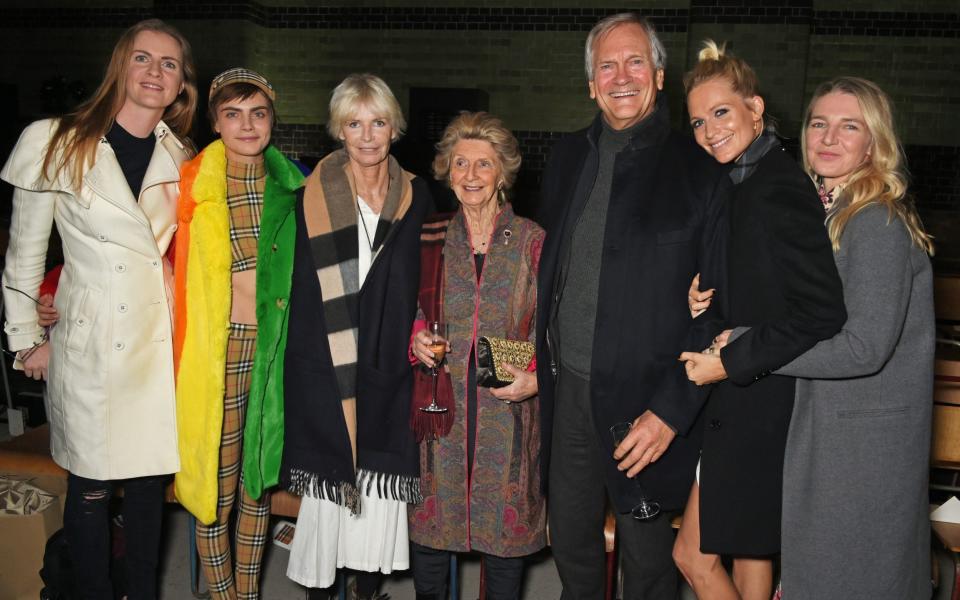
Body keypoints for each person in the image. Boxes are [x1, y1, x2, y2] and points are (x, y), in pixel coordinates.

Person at [686, 76, 935, 599]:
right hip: (825, 429)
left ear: (875, 142)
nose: (828, 137)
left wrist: (742, 346)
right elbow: (790, 302)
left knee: (848, 581)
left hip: (861, 446)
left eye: (849, 126)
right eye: (819, 123)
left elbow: (863, 347)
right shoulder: (830, 211)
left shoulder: (875, 222)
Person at [535, 13, 730, 599]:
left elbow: (723, 309)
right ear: (591, 84)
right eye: (607, 65)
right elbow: (546, 280)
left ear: (660, 75)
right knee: (572, 547)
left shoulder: (701, 170)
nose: (622, 76)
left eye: (635, 61)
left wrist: (672, 411)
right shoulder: (567, 158)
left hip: (647, 406)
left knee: (648, 569)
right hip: (567, 390)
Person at [0, 19, 197, 600]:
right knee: (88, 486)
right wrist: (25, 338)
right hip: (90, 342)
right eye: (143, 58)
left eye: (169, 63)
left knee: (146, 489)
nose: (155, 72)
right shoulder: (54, 140)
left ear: (182, 82)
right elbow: (25, 252)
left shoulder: (181, 154)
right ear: (120, 66)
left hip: (156, 343)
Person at [241, 73, 430, 599]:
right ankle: (323, 592)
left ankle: (367, 590)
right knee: (329, 492)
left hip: (390, 362)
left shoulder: (416, 196)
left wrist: (418, 331)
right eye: (354, 124)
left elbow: (427, 278)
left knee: (377, 488)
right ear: (338, 131)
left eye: (378, 123)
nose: (367, 136)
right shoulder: (308, 194)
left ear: (394, 129)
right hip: (323, 362)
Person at [671, 42, 845, 600]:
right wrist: (707, 297)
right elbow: (759, 278)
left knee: (698, 556)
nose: (708, 130)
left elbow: (822, 312)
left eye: (721, 112)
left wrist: (727, 361)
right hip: (744, 400)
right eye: (698, 121)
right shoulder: (739, 180)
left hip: (761, 402)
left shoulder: (779, 186)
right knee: (743, 556)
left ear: (755, 108)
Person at [171, 68, 305, 600]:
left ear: (273, 119)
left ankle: (246, 594)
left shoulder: (295, 184)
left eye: (258, 113)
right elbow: (137, 251)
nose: (247, 125)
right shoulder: (190, 182)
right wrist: (51, 290)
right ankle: (224, 595)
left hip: (274, 349)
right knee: (213, 487)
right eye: (232, 114)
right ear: (215, 122)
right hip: (214, 352)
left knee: (257, 481)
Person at [408, 112, 545, 600]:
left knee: (504, 548)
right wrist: (416, 338)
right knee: (430, 540)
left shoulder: (533, 240)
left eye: (483, 164)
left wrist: (538, 378)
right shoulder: (429, 236)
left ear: (502, 173)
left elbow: (558, 328)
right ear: (446, 169)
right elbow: (406, 309)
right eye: (460, 162)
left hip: (507, 413)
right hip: (439, 412)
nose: (469, 175)